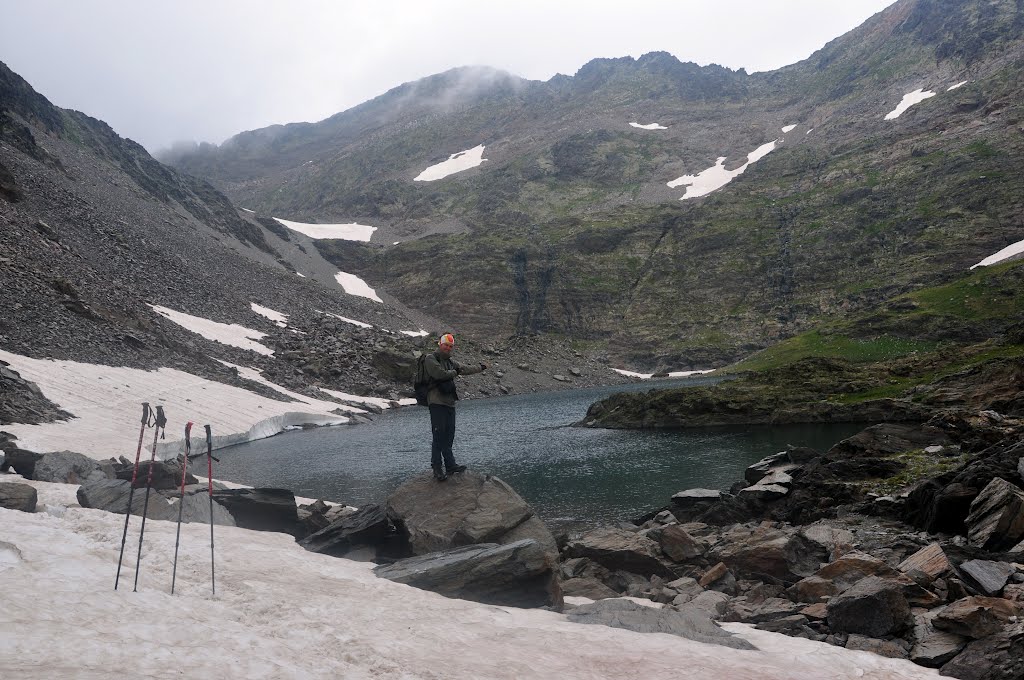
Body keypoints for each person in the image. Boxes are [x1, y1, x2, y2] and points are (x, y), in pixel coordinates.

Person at [422, 333, 487, 481]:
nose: (448, 348)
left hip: (450, 403)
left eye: (451, 346)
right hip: (437, 403)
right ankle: (437, 468)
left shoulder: (450, 361)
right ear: (440, 344)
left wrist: (480, 368)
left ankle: (450, 465)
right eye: (446, 345)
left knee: (449, 435)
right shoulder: (430, 358)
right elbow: (439, 374)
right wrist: (455, 372)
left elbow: (464, 368)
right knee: (438, 436)